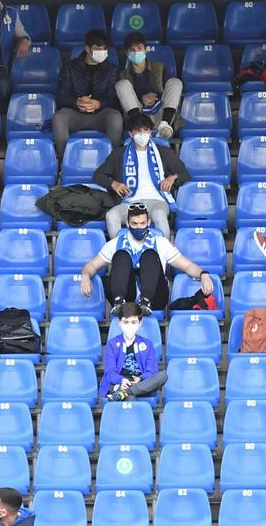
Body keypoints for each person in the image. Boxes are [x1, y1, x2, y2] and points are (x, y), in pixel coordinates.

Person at [78, 203, 214, 314]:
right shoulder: (114, 243)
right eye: (135, 223)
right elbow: (92, 266)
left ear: (148, 222)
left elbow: (187, 266)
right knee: (121, 254)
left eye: (142, 223)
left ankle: (145, 302)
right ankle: (119, 302)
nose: (139, 227)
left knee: (149, 254)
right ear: (127, 223)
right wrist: (85, 275)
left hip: (155, 296)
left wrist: (203, 274)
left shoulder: (160, 242)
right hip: (128, 296)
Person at [92, 111, 191, 239]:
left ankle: (163, 253)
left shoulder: (164, 153)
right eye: (138, 131)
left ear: (150, 132)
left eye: (146, 130)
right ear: (131, 134)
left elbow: (185, 174)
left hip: (157, 201)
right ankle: (120, 252)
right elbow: (98, 175)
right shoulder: (119, 154)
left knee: (159, 214)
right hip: (130, 202)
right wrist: (113, 183)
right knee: (111, 215)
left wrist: (173, 177)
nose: (142, 134)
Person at [52, 28, 123, 156]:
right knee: (59, 117)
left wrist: (99, 104)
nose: (101, 52)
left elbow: (114, 99)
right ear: (88, 49)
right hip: (76, 114)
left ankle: (112, 163)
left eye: (104, 49)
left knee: (116, 117)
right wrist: (77, 102)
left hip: (101, 115)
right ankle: (65, 162)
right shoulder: (70, 67)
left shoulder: (111, 69)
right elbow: (61, 97)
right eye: (97, 48)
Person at [116, 32, 183, 137]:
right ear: (126, 53)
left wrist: (156, 98)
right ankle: (138, 128)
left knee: (175, 82)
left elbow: (170, 93)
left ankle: (164, 126)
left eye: (139, 48)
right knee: (122, 84)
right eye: (132, 50)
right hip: (139, 114)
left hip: (161, 113)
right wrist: (141, 98)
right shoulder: (123, 74)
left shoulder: (160, 68)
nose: (136, 52)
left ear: (145, 50)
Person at [99, 301, 167, 402]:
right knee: (130, 398)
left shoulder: (147, 344)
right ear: (119, 323)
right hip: (119, 383)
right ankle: (127, 392)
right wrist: (121, 380)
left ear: (140, 323)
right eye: (126, 322)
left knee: (163, 375)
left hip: (142, 384)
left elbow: (152, 370)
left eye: (133, 322)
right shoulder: (112, 344)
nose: (130, 325)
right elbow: (110, 372)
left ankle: (127, 392)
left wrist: (141, 378)